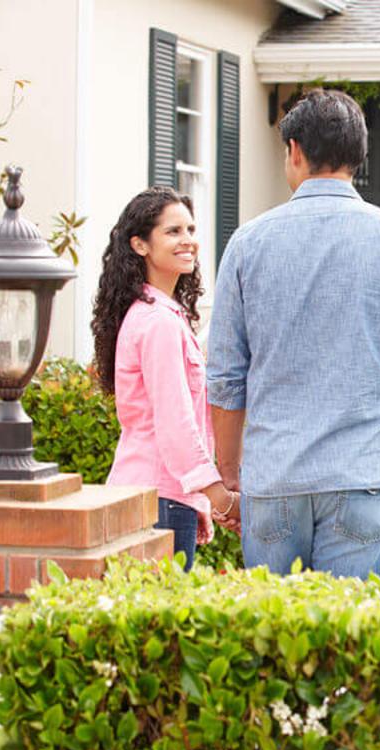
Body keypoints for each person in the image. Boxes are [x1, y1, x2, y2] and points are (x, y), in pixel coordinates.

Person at [207, 89, 380, 580]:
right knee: (351, 644)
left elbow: (227, 376)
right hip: (364, 473)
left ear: (294, 150)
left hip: (274, 477)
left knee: (275, 642)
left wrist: (229, 474)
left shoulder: (247, 242)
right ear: (359, 155)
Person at [91, 186, 240, 571]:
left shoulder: (159, 315)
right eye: (173, 232)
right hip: (158, 498)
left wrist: (198, 500)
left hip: (156, 494)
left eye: (190, 229)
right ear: (140, 244)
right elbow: (175, 425)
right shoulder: (157, 322)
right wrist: (218, 496)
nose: (188, 240)